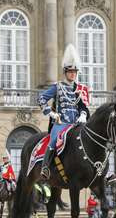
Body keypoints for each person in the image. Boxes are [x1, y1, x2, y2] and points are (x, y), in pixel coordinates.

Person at [37, 44, 90, 180]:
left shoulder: (79, 89)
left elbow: (83, 106)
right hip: (61, 123)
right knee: (53, 140)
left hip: (76, 124)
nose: (73, 74)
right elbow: (41, 98)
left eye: (74, 72)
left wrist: (83, 115)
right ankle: (45, 167)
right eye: (70, 72)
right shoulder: (58, 87)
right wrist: (51, 113)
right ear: (65, 72)